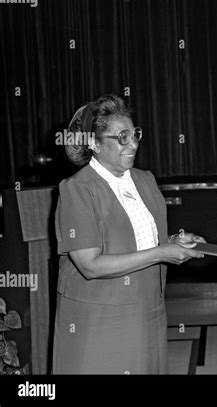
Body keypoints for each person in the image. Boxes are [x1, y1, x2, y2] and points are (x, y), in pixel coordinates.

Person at [53, 94, 205, 374]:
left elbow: (139, 243)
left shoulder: (144, 180)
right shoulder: (78, 188)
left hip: (147, 311)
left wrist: (172, 242)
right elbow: (90, 265)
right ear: (94, 143)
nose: (133, 143)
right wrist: (162, 252)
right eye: (121, 137)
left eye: (134, 134)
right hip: (101, 318)